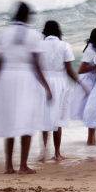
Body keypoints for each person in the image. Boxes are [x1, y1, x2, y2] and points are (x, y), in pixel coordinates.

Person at [0, 2, 52, 174]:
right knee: (26, 121)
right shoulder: (33, 35)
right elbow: (36, 65)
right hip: (25, 79)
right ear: (26, 16)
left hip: (7, 78)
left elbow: (0, 62)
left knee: (10, 121)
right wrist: (46, 86)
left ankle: (8, 165)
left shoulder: (4, 34)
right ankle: (23, 165)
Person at [35, 21, 84, 161]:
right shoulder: (65, 46)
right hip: (60, 83)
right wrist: (80, 84)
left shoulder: (39, 46)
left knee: (44, 118)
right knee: (58, 119)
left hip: (43, 83)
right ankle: (57, 153)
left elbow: (36, 67)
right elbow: (69, 69)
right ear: (58, 31)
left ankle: (43, 152)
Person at [70, 28, 96, 146]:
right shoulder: (90, 50)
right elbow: (81, 69)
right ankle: (90, 141)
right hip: (88, 82)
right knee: (92, 111)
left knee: (92, 111)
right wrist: (95, 67)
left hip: (92, 81)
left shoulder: (93, 48)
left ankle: (92, 140)